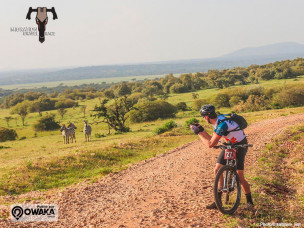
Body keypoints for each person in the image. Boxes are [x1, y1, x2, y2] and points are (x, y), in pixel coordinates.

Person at [190, 104, 254, 209]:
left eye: (204, 118)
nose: (204, 119)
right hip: (229, 144)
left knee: (239, 176)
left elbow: (210, 144)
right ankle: (217, 202)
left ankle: (250, 202)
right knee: (217, 169)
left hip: (240, 145)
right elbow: (213, 139)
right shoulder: (218, 120)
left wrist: (198, 133)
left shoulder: (221, 125)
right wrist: (201, 130)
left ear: (206, 117)